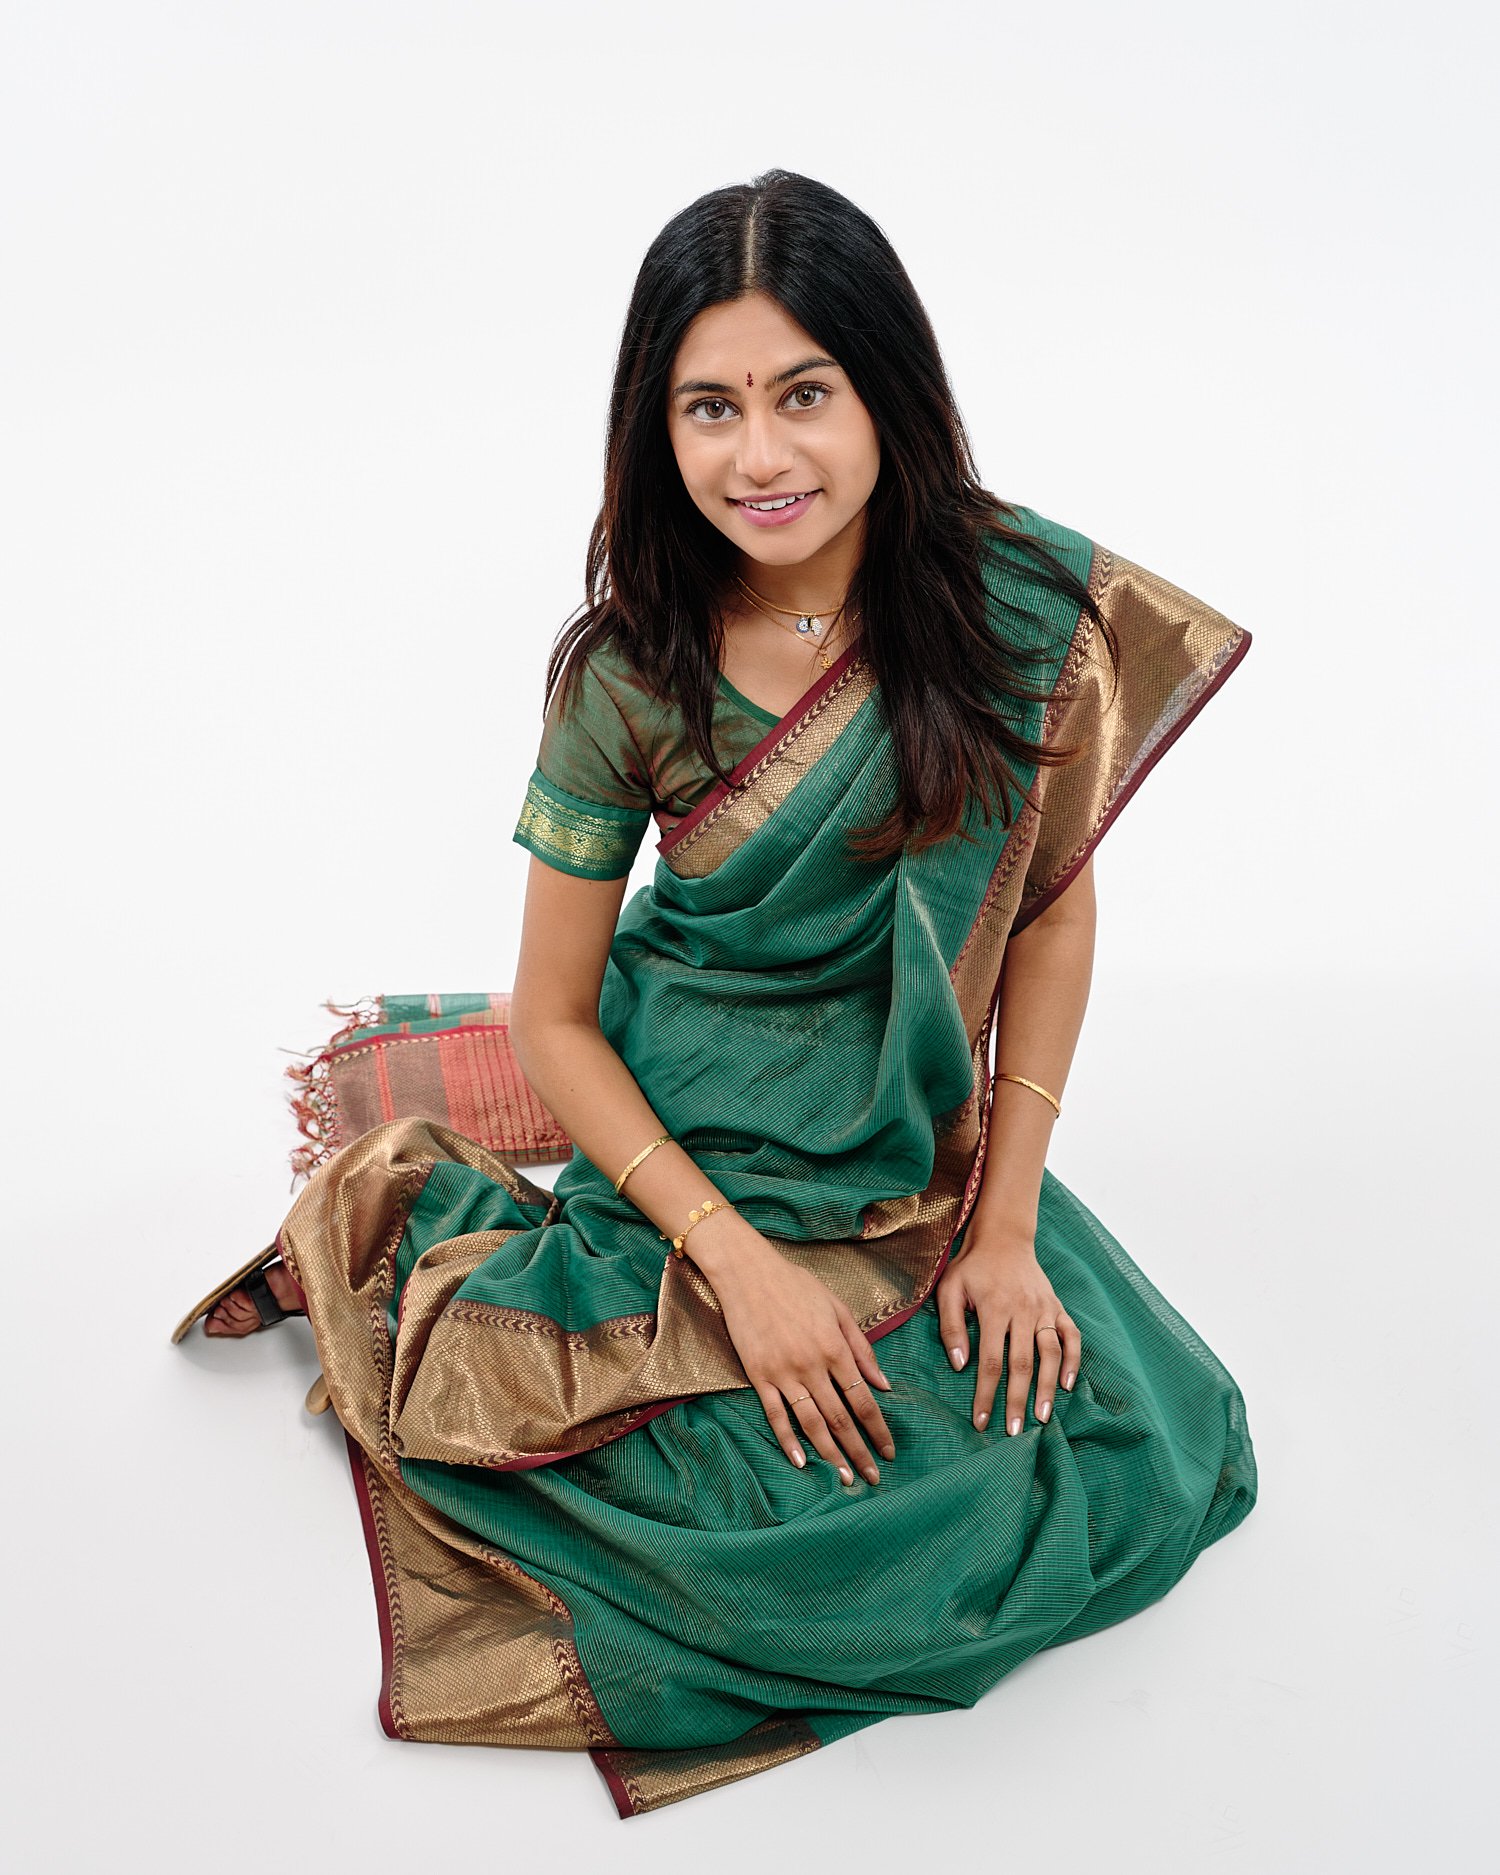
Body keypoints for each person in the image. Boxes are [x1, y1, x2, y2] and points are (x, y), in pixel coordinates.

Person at [174, 169, 1259, 1819]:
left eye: (804, 394)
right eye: (711, 407)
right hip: (700, 1136)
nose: (762, 457)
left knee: (1110, 1430)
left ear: (887, 391)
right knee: (758, 1504)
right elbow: (553, 1014)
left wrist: (1013, 1223)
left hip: (910, 1142)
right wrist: (736, 1265)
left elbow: (1045, 913)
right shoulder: (630, 669)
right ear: (656, 430)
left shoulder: (1016, 608)